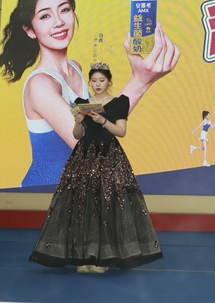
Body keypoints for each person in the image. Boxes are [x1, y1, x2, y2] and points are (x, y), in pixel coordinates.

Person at [0, 0, 180, 188]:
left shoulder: (74, 68)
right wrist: (140, 81)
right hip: (44, 193)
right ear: (30, 30)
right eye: (45, 15)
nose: (59, 22)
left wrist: (143, 80)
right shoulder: (40, 84)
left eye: (64, 10)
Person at [29, 64, 162, 272]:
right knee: (83, 205)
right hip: (84, 157)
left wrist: (103, 121)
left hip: (109, 157)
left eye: (102, 80)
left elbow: (121, 132)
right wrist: (78, 122)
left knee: (107, 205)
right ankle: (85, 257)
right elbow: (77, 135)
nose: (98, 84)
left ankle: (103, 259)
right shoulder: (81, 103)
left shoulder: (119, 102)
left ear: (109, 81)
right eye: (94, 80)